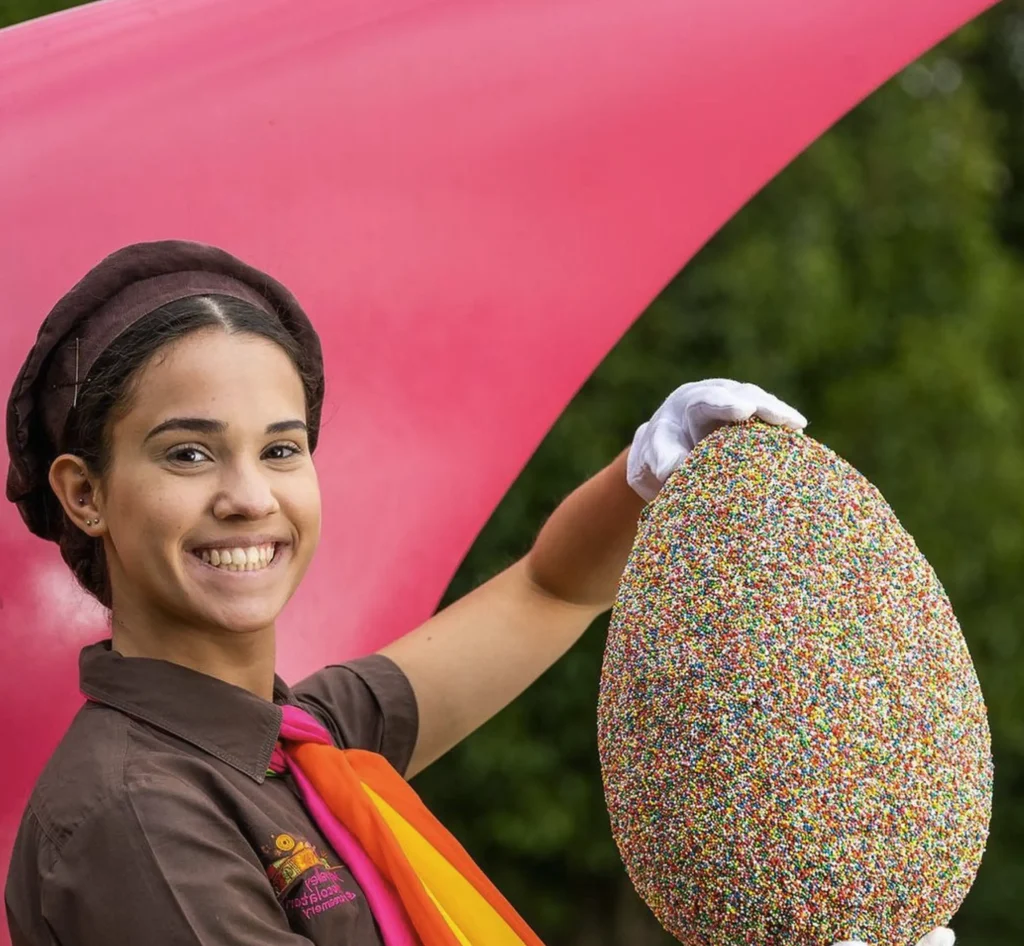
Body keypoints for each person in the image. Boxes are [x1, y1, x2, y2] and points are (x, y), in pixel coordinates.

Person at [3, 241, 952, 946]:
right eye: (189, 453)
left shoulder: (305, 742)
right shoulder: (136, 818)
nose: (250, 496)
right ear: (85, 494)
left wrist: (651, 473)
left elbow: (548, 590)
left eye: (281, 449)